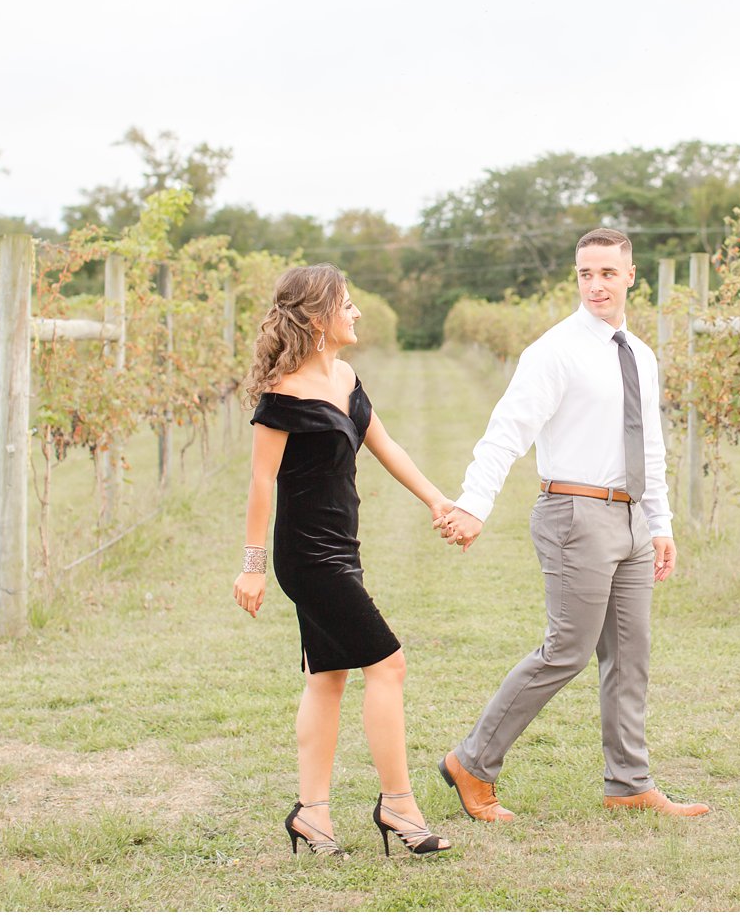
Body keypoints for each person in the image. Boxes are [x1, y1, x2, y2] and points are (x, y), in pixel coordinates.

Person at [433, 228, 709, 821]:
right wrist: (474, 504)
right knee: (567, 650)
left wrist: (659, 523)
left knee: (630, 654)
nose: (596, 285)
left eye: (607, 273)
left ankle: (629, 782)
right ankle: (471, 763)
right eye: (585, 274)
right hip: (574, 513)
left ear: (630, 275)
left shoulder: (641, 354)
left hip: (633, 517)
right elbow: (507, 431)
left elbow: (650, 445)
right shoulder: (554, 351)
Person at [233, 264, 452, 857]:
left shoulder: (347, 376)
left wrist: (437, 500)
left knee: (326, 677)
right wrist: (252, 565)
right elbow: (260, 482)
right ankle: (398, 804)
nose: (356, 313)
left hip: (343, 549)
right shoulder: (282, 394)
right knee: (389, 663)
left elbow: (386, 446)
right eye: (346, 304)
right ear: (316, 318)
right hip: (305, 556)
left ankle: (313, 814)